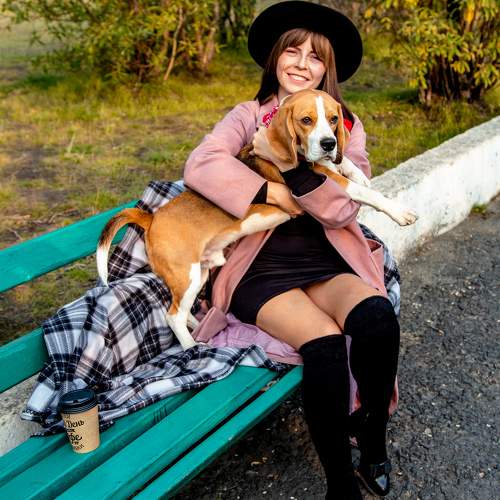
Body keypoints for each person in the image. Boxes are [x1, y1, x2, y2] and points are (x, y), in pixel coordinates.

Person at [183, 1, 400, 498]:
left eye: (316, 57)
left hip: (323, 257)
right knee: (324, 345)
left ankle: (372, 436)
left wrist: (292, 169)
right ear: (275, 58)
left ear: (327, 70)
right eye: (292, 51)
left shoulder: (343, 122)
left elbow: (344, 208)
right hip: (260, 265)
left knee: (377, 319)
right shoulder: (248, 116)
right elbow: (202, 164)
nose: (302, 64)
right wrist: (269, 191)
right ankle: (340, 484)